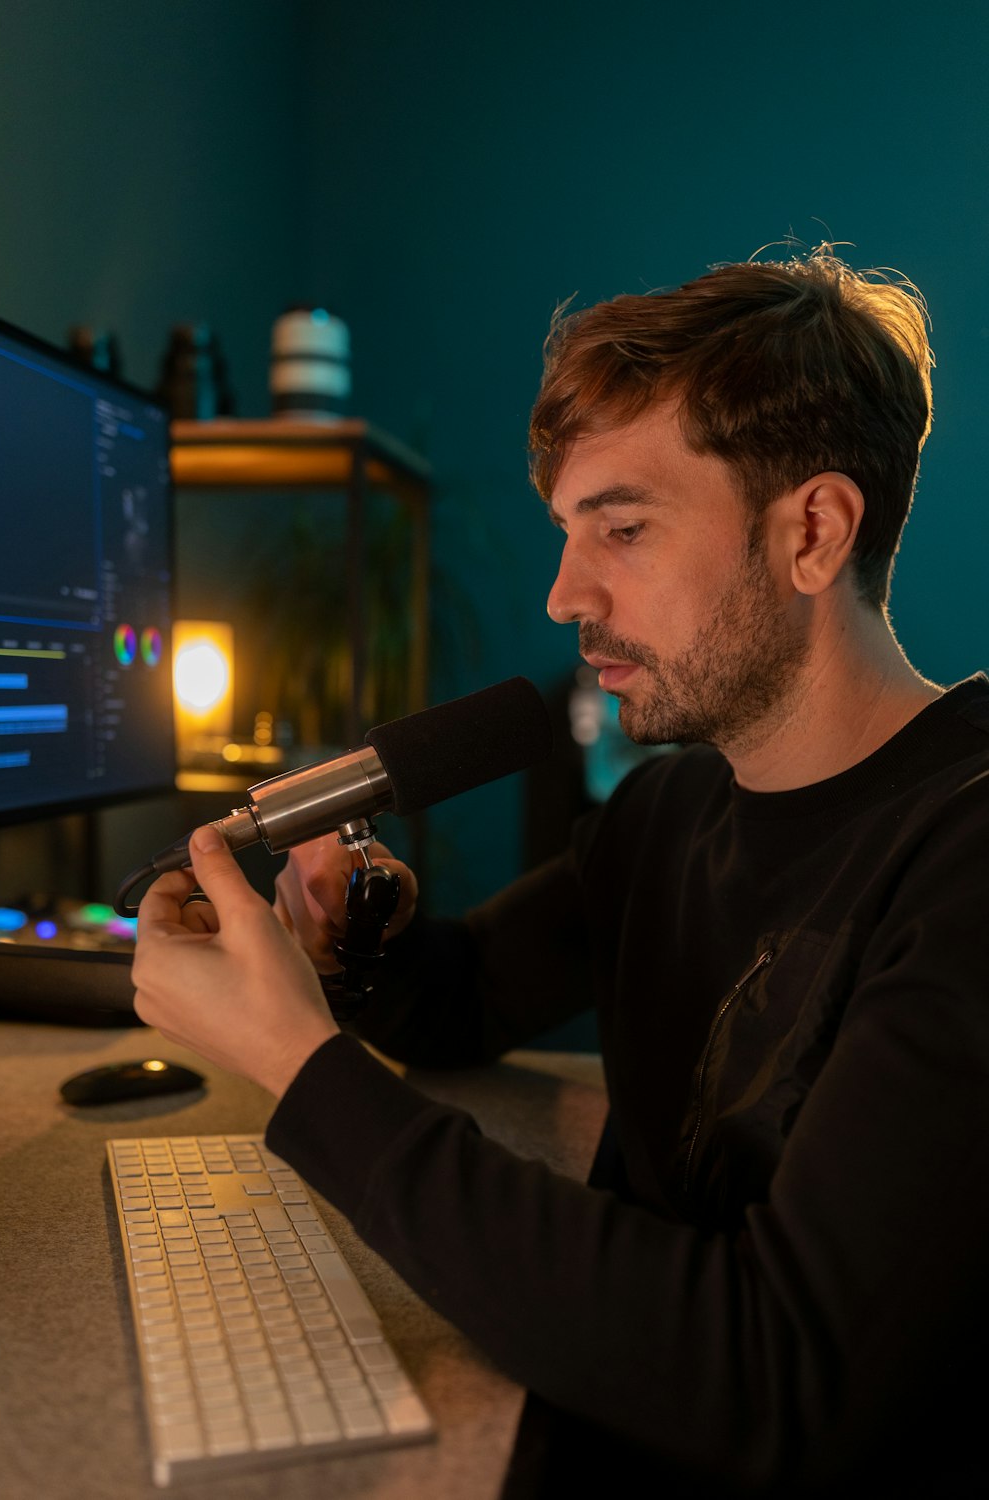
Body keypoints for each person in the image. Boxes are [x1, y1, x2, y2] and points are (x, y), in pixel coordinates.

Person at [132, 247, 989, 1497]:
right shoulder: (671, 808)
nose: (561, 595)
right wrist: (348, 934)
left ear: (813, 530)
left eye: (622, 530)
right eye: (565, 533)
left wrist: (299, 1070)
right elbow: (466, 996)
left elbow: (780, 1374)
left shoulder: (962, 864)